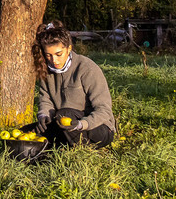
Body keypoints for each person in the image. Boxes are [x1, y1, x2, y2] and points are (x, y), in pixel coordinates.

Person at [25, 20, 115, 148]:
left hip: (96, 127)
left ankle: (76, 151)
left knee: (65, 114)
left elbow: (104, 110)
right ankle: (57, 146)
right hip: (63, 123)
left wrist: (81, 124)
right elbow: (46, 100)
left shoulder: (87, 68)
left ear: (69, 49)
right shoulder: (46, 70)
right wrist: (44, 116)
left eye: (58, 54)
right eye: (48, 55)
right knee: (26, 131)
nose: (54, 60)